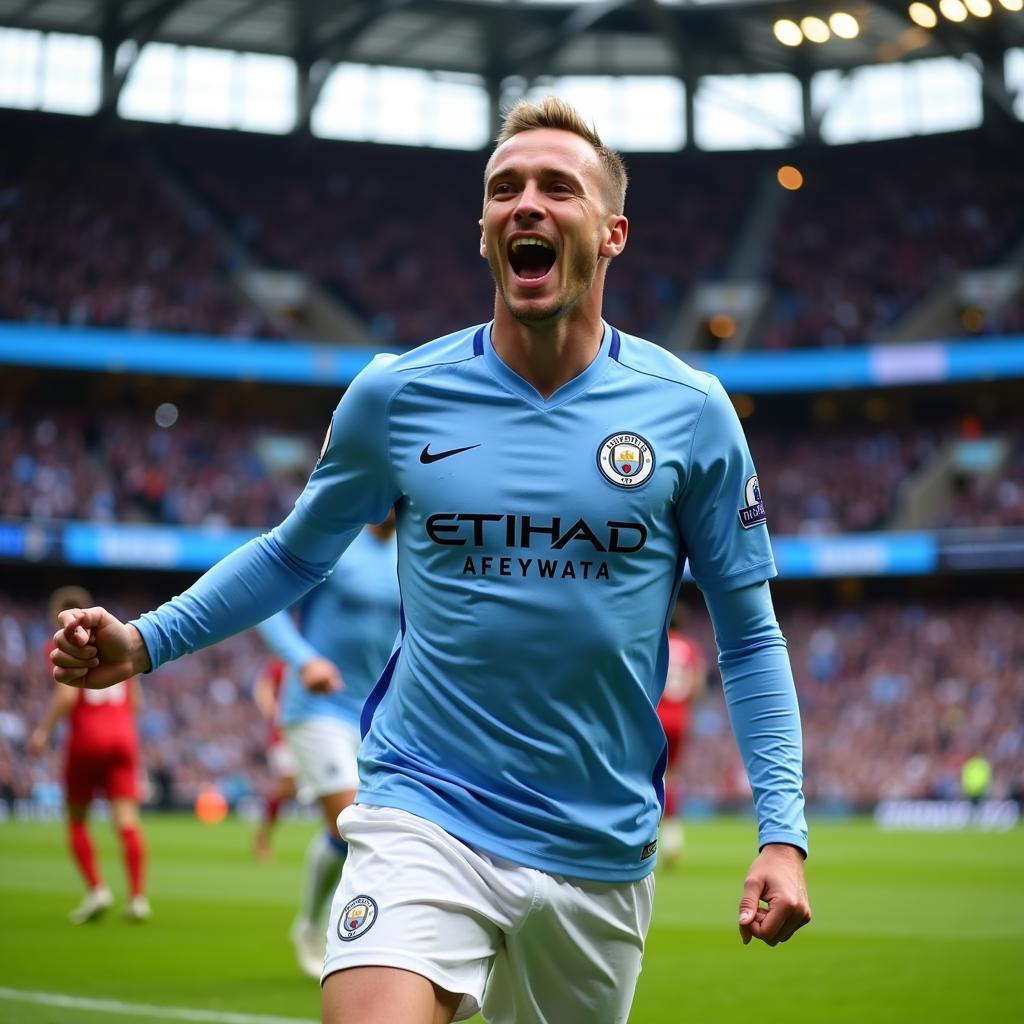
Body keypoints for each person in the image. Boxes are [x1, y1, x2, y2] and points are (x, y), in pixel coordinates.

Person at [51, 96, 810, 1024]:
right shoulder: (396, 395)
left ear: (611, 234)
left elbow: (749, 637)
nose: (525, 203)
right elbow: (296, 556)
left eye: (556, 187)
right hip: (424, 808)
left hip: (597, 846)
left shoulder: (690, 412)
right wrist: (145, 640)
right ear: (484, 231)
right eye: (504, 189)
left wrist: (784, 834)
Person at [256, 513, 400, 976]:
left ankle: (322, 925)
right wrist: (304, 660)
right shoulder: (335, 542)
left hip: (379, 711)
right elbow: (269, 603)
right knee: (349, 821)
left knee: (365, 828)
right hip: (318, 709)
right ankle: (324, 930)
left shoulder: (415, 551)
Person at [30, 585, 149, 924]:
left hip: (86, 738)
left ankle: (98, 889)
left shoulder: (63, 644)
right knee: (127, 820)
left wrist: (43, 732)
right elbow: (137, 704)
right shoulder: (116, 641)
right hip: (123, 737)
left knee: (77, 819)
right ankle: (138, 898)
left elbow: (67, 697)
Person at [656, 624, 707, 866]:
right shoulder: (689, 647)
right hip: (679, 717)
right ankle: (672, 840)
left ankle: (643, 838)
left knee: (646, 772)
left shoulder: (657, 640)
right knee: (672, 777)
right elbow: (697, 683)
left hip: (656, 714)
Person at [251, 655, 297, 862]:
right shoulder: (283, 663)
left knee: (292, 789)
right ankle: (262, 837)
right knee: (286, 786)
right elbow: (262, 687)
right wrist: (272, 711)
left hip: (309, 733)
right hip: (284, 734)